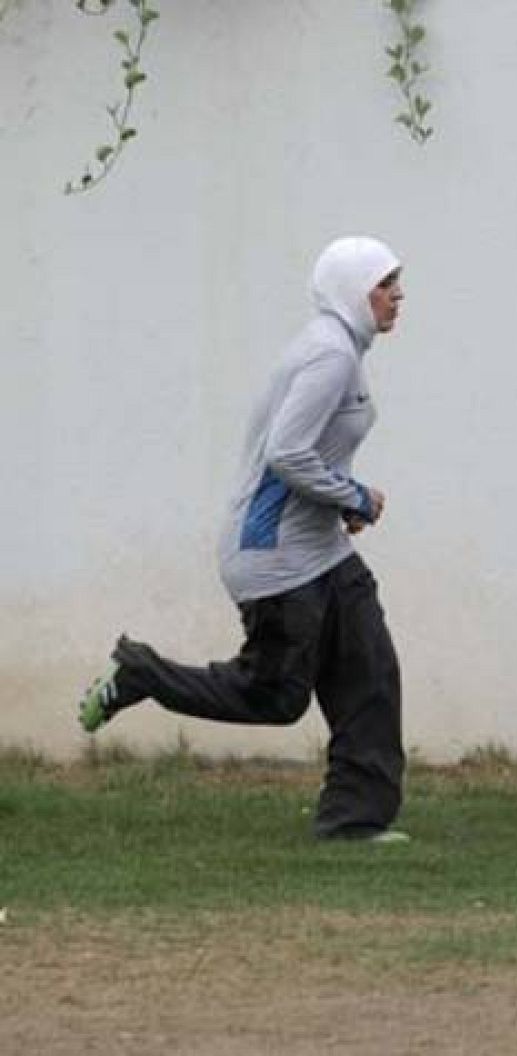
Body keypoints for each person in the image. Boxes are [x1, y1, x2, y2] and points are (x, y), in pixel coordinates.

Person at [76, 236, 411, 843]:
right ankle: (141, 674)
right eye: (386, 285)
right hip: (274, 558)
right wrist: (355, 497)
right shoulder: (331, 355)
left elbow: (300, 456)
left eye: (396, 283)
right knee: (276, 696)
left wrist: (341, 500)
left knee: (370, 672)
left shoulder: (341, 350)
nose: (398, 296)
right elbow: (285, 454)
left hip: (319, 550)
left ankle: (353, 822)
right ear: (352, 290)